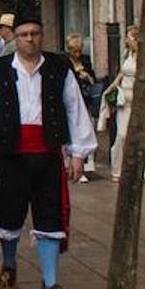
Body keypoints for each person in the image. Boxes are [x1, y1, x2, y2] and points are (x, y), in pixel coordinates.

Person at [0, 13, 96, 289]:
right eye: (24, 34)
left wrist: (78, 152)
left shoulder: (58, 67)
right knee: (7, 214)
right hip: (10, 155)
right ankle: (8, 267)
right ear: (14, 37)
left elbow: (74, 107)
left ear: (42, 35)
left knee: (50, 215)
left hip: (48, 155)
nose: (30, 39)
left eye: (35, 33)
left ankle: (51, 283)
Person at [102, 25, 145, 185]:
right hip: (125, 100)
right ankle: (118, 169)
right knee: (122, 135)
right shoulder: (127, 54)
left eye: (129, 37)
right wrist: (110, 90)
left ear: (136, 39)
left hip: (142, 101)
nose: (127, 40)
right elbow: (121, 75)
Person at [64, 33, 100, 181]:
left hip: (85, 99)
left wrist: (87, 77)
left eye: (79, 50)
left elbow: (94, 80)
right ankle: (69, 164)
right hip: (70, 101)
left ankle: (83, 167)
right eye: (74, 51)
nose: (77, 54)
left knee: (84, 129)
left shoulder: (85, 60)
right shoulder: (64, 61)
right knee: (70, 132)